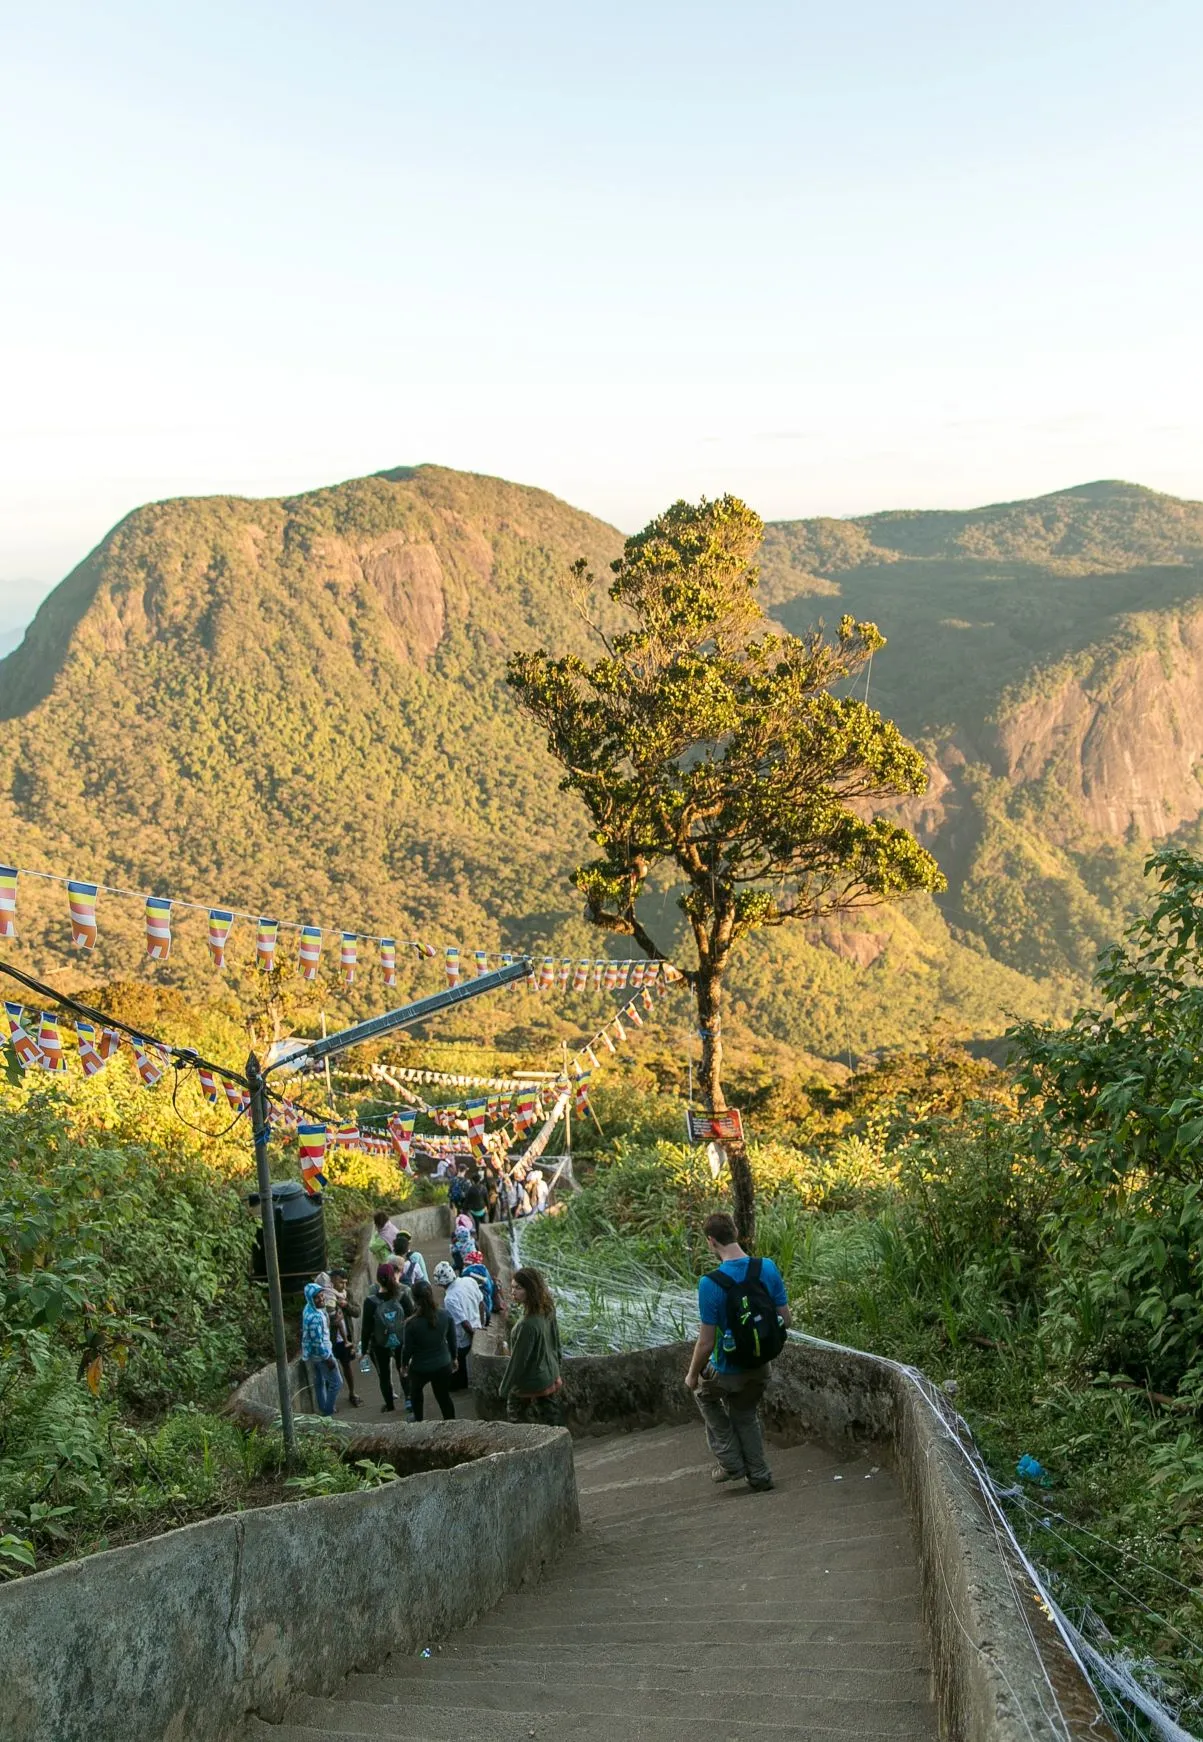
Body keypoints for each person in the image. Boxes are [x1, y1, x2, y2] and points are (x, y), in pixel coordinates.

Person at [684, 1212, 790, 1494]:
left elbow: (706, 1343)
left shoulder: (710, 1283)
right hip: (760, 1366)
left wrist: (692, 1374)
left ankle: (731, 1462)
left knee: (703, 1395)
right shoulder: (766, 1268)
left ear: (711, 1241)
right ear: (736, 1231)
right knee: (744, 1414)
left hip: (728, 1369)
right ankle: (759, 1474)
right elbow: (785, 1319)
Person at [498, 1267, 564, 1425]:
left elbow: (518, 1361)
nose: (513, 1292)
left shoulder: (526, 1325)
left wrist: (504, 1389)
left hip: (531, 1378)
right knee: (550, 1414)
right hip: (549, 1372)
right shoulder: (547, 1309)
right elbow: (556, 1340)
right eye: (512, 1287)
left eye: (518, 1288)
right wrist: (557, 1365)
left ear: (531, 1290)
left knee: (515, 1416)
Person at [360, 1262, 414, 1412]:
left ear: (378, 1279)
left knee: (384, 1375)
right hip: (401, 1341)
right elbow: (412, 1317)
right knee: (403, 1368)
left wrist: (364, 1350)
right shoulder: (402, 1296)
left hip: (380, 1343)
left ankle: (390, 1405)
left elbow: (366, 1328)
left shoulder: (370, 1302)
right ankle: (409, 1400)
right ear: (393, 1277)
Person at [401, 1280, 457, 1421]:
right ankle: (451, 1423)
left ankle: (418, 1419)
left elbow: (407, 1349)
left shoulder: (411, 1324)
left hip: (420, 1367)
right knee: (443, 1396)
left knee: (416, 1393)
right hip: (443, 1364)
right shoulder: (445, 1315)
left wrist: (404, 1365)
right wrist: (454, 1358)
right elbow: (452, 1340)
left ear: (414, 1299)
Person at [434, 1260, 483, 1391]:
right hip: (477, 1325)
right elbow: (481, 1303)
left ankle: (459, 1384)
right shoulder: (469, 1281)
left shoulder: (449, 1298)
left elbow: (463, 1322)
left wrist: (473, 1336)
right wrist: (481, 1326)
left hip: (463, 1336)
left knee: (458, 1358)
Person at [301, 1281, 342, 1417]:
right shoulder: (315, 1318)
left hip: (313, 1356)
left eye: (321, 1295)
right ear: (311, 1299)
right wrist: (327, 1358)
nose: (321, 1298)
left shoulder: (309, 1309)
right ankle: (327, 1412)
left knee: (319, 1383)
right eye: (317, 1297)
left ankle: (323, 1408)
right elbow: (317, 1342)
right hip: (321, 1355)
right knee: (336, 1383)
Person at [326, 1266, 361, 1408]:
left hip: (346, 1337)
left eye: (345, 1283)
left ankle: (353, 1393)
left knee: (347, 1366)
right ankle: (331, 1401)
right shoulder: (327, 1295)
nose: (343, 1286)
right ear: (333, 1281)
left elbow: (357, 1312)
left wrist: (346, 1306)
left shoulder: (348, 1294)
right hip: (331, 1339)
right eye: (341, 1282)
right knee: (330, 1369)